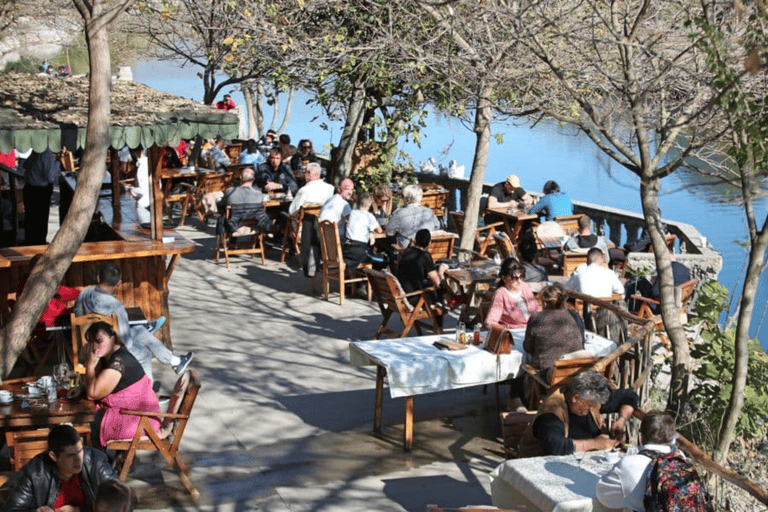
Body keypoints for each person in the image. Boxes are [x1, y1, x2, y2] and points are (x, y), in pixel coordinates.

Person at [75, 263, 193, 381]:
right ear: (118, 283)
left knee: (139, 330)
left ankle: (175, 361)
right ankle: (148, 392)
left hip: (84, 346)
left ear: (98, 277)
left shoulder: (83, 294)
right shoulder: (116, 306)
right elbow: (127, 342)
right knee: (144, 353)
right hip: (105, 351)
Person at [518, 370, 638, 457]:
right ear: (575, 398)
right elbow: (556, 446)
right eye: (589, 405)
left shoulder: (591, 399)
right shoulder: (552, 411)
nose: (592, 408)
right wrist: (595, 444)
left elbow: (629, 396)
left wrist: (622, 419)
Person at [1, 424, 117, 512]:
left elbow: (121, 501)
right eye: (70, 455)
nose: (78, 459)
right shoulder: (35, 471)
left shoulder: (96, 462)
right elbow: (12, 509)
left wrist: (79, 510)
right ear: (53, 456)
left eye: (80, 451)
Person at [83, 322, 161, 449]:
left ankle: (99, 465)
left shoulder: (119, 362)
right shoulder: (110, 357)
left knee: (89, 423)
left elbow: (92, 394)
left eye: (99, 341)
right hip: (134, 415)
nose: (95, 346)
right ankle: (102, 461)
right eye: (92, 342)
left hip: (141, 421)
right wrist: (81, 389)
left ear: (113, 338)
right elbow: (96, 385)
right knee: (89, 418)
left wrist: (89, 365)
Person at [596, 411, 682, 511]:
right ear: (672, 439)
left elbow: (603, 496)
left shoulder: (629, 464)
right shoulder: (682, 459)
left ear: (642, 437)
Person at [523, 283, 585, 374]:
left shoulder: (536, 318)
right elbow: (582, 341)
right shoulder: (574, 315)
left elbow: (528, 347)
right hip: (575, 370)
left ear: (544, 302)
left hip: (548, 372)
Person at [396, 229, 448, 313]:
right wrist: (441, 271)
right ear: (429, 242)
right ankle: (439, 320)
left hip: (404, 293)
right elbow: (437, 281)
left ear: (415, 240)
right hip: (416, 298)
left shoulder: (406, 252)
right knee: (441, 291)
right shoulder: (424, 256)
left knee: (430, 285)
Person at [484, 258, 541, 330]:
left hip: (532, 330)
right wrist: (506, 332)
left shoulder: (525, 287)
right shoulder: (501, 294)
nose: (519, 281)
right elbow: (490, 322)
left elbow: (536, 310)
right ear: (504, 278)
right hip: (514, 334)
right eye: (515, 278)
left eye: (521, 277)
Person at [625, 253, 691, 313]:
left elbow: (656, 293)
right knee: (643, 283)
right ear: (674, 256)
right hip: (677, 300)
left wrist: (653, 282)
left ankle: (632, 311)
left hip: (662, 306)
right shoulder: (685, 269)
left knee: (640, 282)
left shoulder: (664, 269)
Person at [217, 168, 272, 236]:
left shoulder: (230, 191)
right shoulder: (259, 194)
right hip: (253, 223)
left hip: (234, 224)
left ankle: (232, 241)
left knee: (224, 212)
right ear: (253, 179)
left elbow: (222, 204)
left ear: (240, 177)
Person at [23, 148, 61, 245]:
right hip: (39, 191)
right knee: (40, 221)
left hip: (30, 188)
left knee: (31, 220)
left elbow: (25, 165)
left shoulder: (36, 151)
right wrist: (57, 164)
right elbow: (50, 176)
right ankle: (38, 244)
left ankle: (30, 242)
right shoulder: (46, 152)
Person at [386, 184, 440, 249]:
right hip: (426, 252)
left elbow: (389, 232)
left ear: (407, 200)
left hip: (405, 253)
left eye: (402, 196)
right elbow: (437, 227)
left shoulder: (400, 213)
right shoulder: (430, 213)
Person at [343, 192, 385, 272]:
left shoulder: (352, 213)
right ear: (370, 205)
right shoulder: (369, 216)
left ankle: (359, 280)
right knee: (383, 260)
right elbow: (379, 230)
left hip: (347, 250)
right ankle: (371, 280)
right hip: (359, 251)